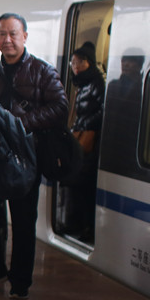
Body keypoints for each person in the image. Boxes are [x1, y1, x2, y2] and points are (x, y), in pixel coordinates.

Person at [0, 13, 68, 299]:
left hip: (28, 157)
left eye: (13, 33)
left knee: (24, 220)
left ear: (25, 35)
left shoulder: (42, 71)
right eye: (2, 34)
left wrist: (21, 123)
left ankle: (20, 280)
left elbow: (61, 108)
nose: (7, 40)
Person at [66, 42, 105, 242]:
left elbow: (103, 110)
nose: (74, 66)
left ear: (88, 63)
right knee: (76, 183)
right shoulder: (81, 84)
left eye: (78, 62)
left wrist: (85, 125)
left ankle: (87, 227)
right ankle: (75, 222)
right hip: (81, 137)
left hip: (90, 141)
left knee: (84, 185)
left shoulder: (96, 83)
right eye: (72, 62)